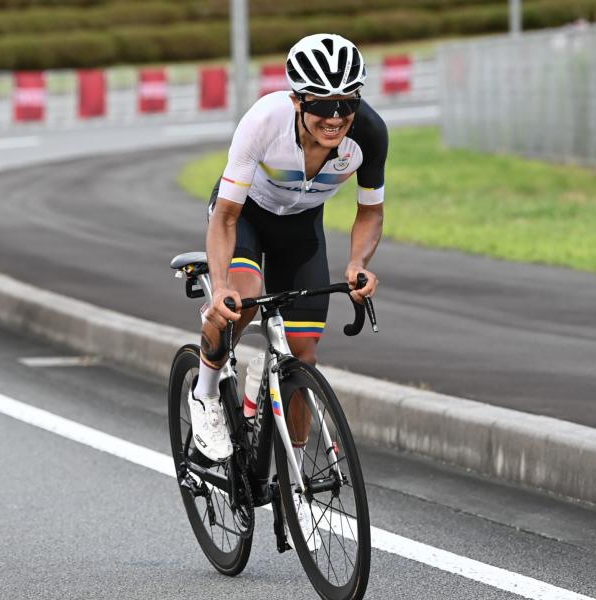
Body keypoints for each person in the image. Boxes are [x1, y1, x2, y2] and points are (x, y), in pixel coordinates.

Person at [189, 33, 388, 550]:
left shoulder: (368, 133)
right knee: (241, 303)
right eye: (322, 103)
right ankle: (206, 394)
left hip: (301, 229)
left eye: (346, 102)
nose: (335, 116)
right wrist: (220, 289)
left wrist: (358, 264)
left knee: (303, 354)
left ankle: (293, 479)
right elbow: (226, 217)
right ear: (298, 100)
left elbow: (370, 211)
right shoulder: (264, 121)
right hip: (246, 220)